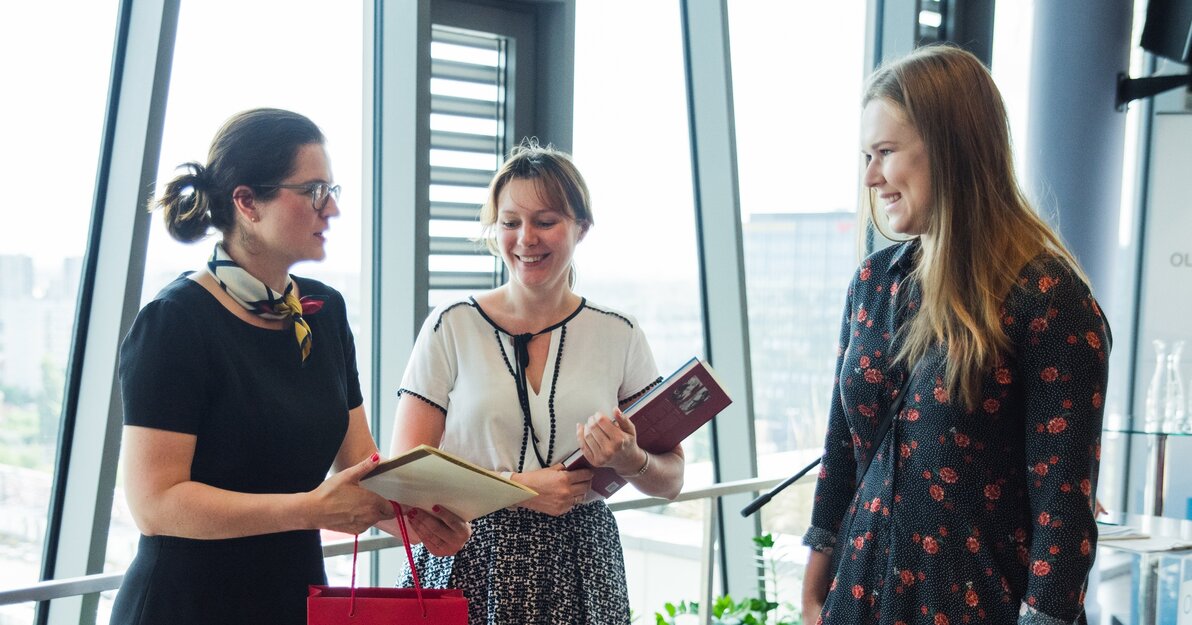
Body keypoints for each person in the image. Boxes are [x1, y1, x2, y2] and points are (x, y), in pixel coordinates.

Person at [111, 108, 471, 625]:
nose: (332, 211)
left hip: (291, 598)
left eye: (332, 192)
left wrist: (413, 520)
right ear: (247, 202)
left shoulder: (324, 313)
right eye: (314, 192)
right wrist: (308, 509)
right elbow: (155, 503)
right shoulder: (174, 323)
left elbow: (358, 464)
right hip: (186, 604)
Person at [801, 46, 1110, 625]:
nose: (871, 176)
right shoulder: (873, 284)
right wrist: (813, 596)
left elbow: (1065, 505)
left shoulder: (1045, 295)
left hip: (979, 606)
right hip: (859, 598)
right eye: (868, 155)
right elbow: (841, 453)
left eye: (886, 152)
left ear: (949, 147)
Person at [389, 141, 685, 624]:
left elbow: (671, 479)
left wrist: (629, 458)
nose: (526, 238)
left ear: (581, 227)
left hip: (583, 563)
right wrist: (520, 488)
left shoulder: (619, 332)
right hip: (468, 555)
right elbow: (408, 476)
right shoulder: (451, 324)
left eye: (545, 221)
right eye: (510, 222)